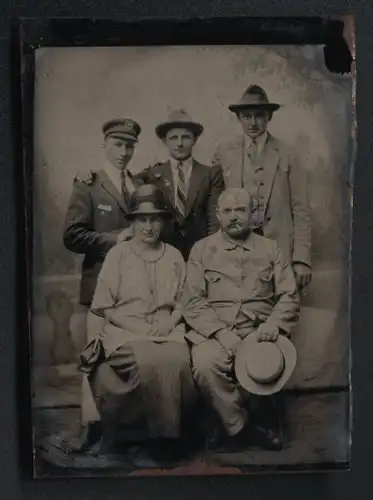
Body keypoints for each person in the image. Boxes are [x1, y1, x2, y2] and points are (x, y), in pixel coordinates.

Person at [79, 184, 196, 467]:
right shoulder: (118, 255)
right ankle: (153, 441)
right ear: (132, 222)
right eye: (142, 220)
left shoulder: (174, 256)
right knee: (149, 360)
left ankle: (169, 439)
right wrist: (140, 330)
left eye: (155, 219)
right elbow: (104, 307)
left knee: (179, 360)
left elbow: (185, 301)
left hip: (167, 328)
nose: (148, 227)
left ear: (163, 222)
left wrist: (169, 321)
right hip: (125, 330)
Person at [182, 188, 300, 450]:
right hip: (215, 332)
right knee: (204, 364)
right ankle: (243, 427)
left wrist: (274, 324)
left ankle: (225, 422)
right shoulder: (202, 250)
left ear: (253, 214)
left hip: (259, 331)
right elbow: (192, 301)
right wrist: (220, 333)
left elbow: (289, 295)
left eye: (240, 210)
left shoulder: (271, 248)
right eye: (227, 211)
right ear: (218, 215)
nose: (234, 217)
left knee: (264, 364)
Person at [63, 118, 143, 439]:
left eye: (129, 146)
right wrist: (114, 239)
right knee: (94, 356)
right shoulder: (88, 184)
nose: (123, 152)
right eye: (118, 145)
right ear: (105, 145)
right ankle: (93, 427)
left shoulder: (138, 184)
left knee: (129, 357)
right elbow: (72, 235)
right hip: (98, 288)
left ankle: (127, 428)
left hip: (134, 291)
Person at [212, 85, 312, 290]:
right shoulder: (223, 153)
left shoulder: (288, 153)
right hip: (235, 252)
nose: (253, 122)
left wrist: (301, 258)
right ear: (239, 118)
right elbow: (214, 206)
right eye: (247, 116)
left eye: (259, 115)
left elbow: (301, 210)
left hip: (279, 252)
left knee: (279, 315)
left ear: (269, 117)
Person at [136, 109, 225, 260]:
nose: (180, 143)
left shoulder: (210, 174)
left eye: (185, 137)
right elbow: (129, 181)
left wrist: (210, 251)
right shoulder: (153, 174)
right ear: (165, 141)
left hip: (200, 252)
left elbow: (214, 218)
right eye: (173, 138)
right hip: (162, 253)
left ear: (195, 139)